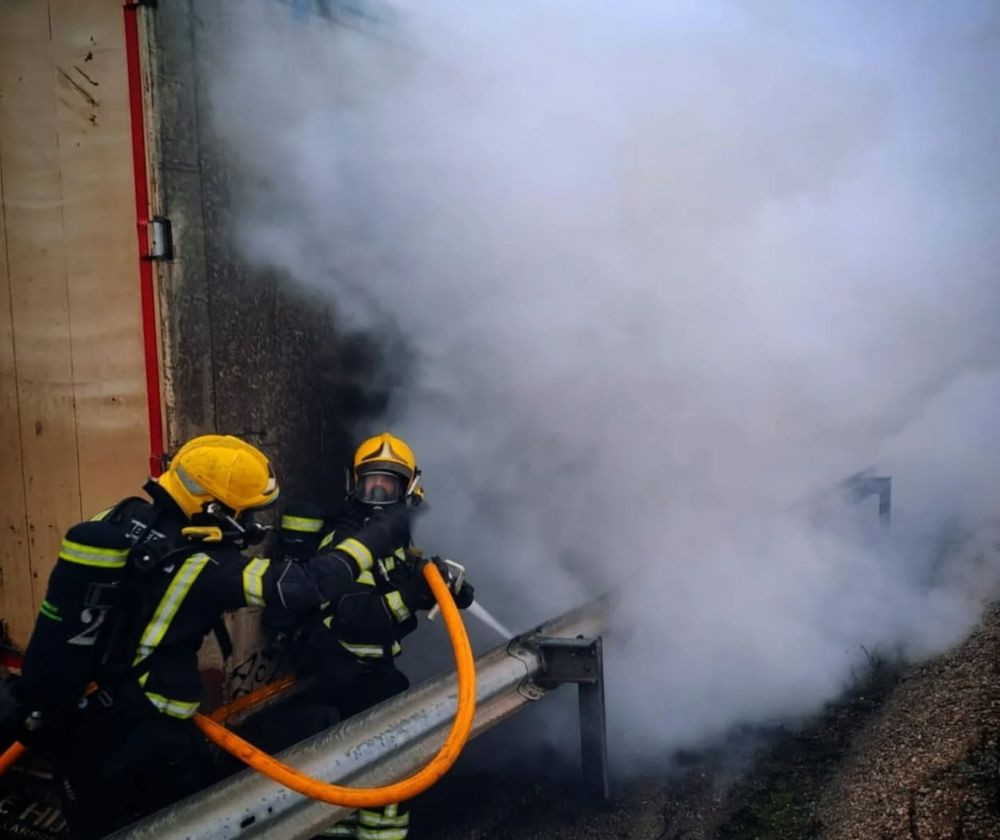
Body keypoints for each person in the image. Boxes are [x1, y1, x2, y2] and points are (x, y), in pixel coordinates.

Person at [10, 434, 410, 839]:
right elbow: (304, 585)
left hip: (83, 720)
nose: (252, 526)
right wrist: (378, 535)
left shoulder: (117, 518)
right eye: (249, 514)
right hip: (146, 737)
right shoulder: (200, 565)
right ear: (216, 509)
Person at [271, 432, 474, 840]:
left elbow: (399, 583)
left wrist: (445, 586)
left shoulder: (392, 538)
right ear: (354, 483)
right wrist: (410, 597)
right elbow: (354, 617)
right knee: (366, 783)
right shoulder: (346, 542)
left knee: (382, 780)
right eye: (370, 482)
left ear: (410, 488)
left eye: (389, 483)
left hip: (372, 678)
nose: (378, 491)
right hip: (345, 682)